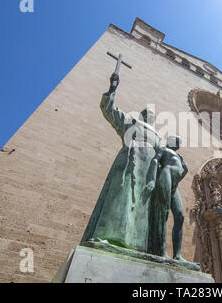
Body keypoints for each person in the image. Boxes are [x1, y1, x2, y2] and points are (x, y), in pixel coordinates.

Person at [81, 73, 162, 253]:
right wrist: (112, 89)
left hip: (147, 174)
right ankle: (108, 236)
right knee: (120, 199)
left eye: (152, 115)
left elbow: (160, 158)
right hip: (129, 165)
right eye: (147, 113)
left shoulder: (157, 136)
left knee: (142, 209)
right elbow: (110, 110)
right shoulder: (131, 121)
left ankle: (137, 246)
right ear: (141, 115)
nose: (150, 116)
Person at [143, 135, 188, 259]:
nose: (178, 143)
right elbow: (155, 161)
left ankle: (177, 255)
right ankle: (161, 251)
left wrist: (185, 171)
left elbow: (181, 173)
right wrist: (152, 180)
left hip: (174, 184)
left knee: (180, 216)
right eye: (176, 140)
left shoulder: (179, 156)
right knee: (164, 212)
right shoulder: (164, 149)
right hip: (166, 174)